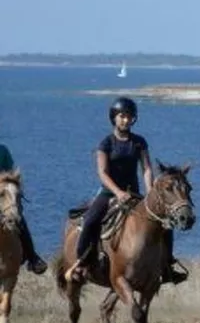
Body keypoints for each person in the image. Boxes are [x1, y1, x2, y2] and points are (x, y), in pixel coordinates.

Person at [69, 96, 186, 283]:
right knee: (90, 220)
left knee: (165, 223)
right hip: (109, 193)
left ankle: (167, 265)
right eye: (122, 116)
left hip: (134, 194)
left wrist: (150, 191)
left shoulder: (139, 142)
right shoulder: (106, 143)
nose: (126, 120)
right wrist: (118, 192)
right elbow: (102, 173)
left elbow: (146, 168)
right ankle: (81, 263)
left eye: (129, 116)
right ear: (114, 118)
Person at [0, 134, 49, 274]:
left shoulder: (3, 150)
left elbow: (10, 173)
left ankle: (32, 258)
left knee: (18, 218)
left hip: (2, 195)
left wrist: (11, 186)